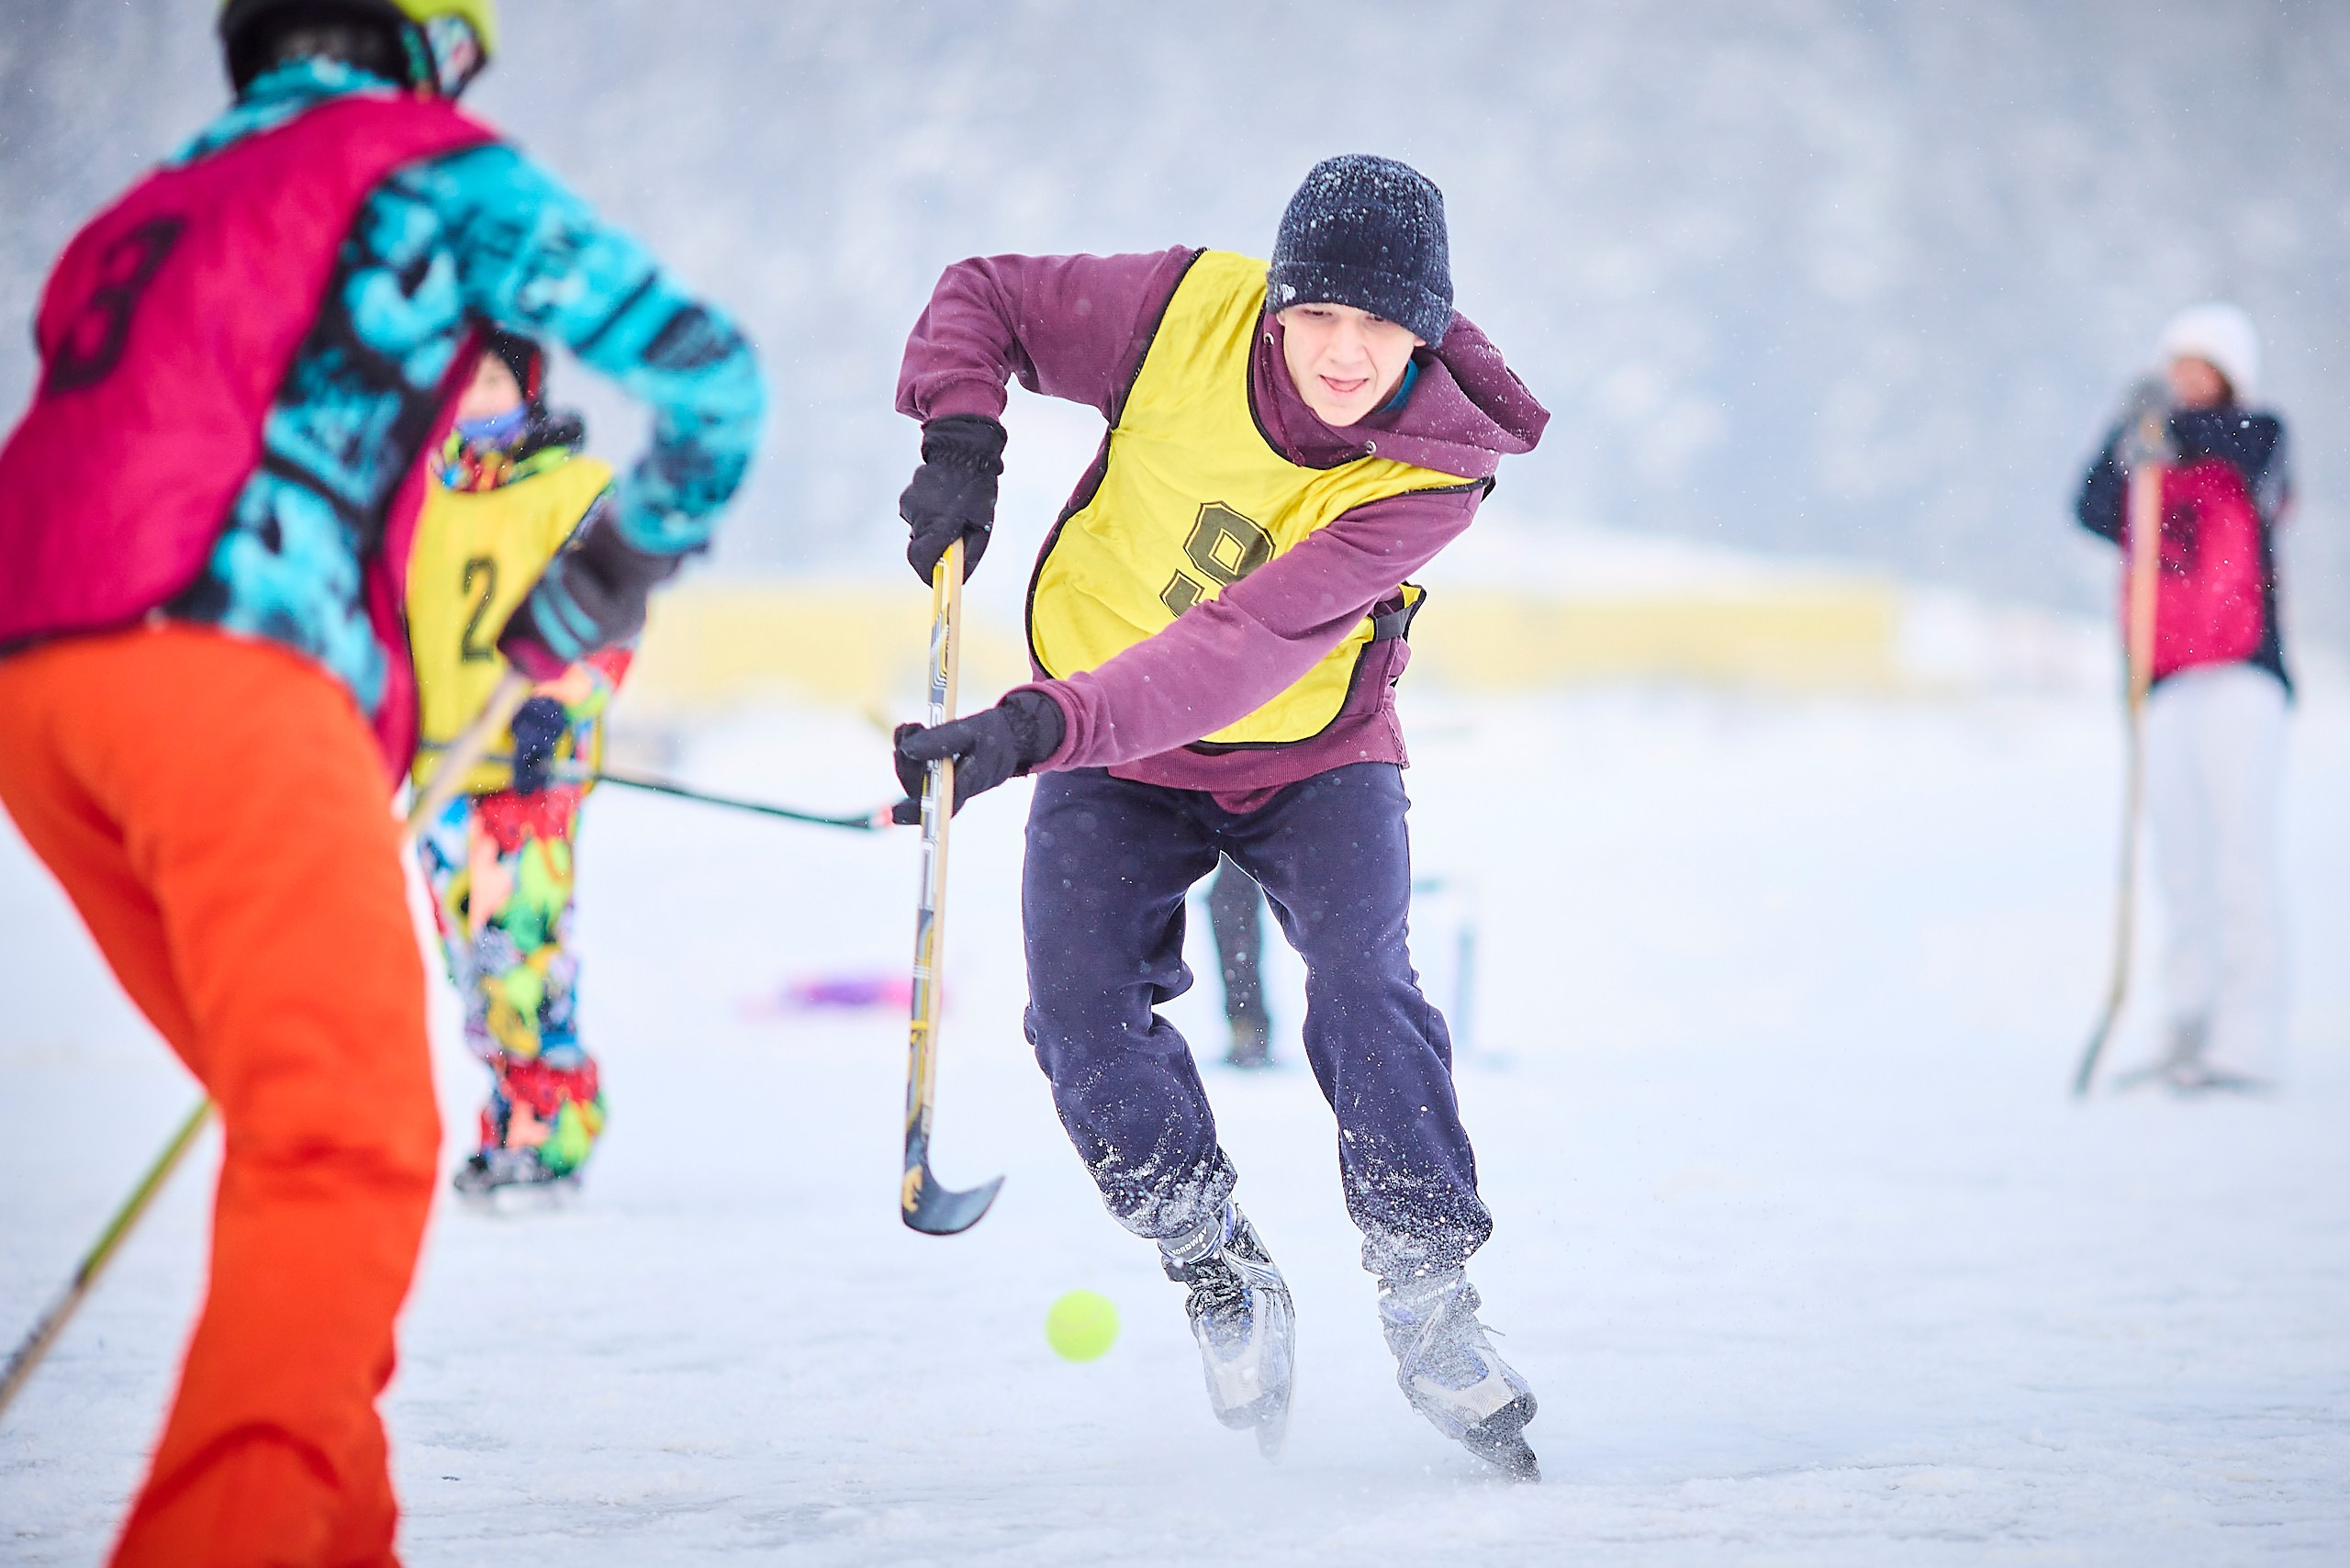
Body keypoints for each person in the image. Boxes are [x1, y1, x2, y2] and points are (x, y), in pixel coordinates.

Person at [0, 1, 763, 1561]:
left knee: (300, 1133)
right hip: (221, 676)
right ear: (432, 51)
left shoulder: (145, 204)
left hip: (36, 686)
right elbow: (713, 381)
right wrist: (610, 570)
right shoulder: (426, 170)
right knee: (343, 1141)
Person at [890, 155, 1549, 1477]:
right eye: (1317, 317)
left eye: (1380, 326)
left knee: (1363, 979)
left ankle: (1430, 1291)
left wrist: (1031, 728)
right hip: (1115, 754)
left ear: (1425, 329)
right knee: (1076, 1013)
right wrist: (962, 432)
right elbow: (982, 297)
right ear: (1276, 306)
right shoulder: (1183, 312)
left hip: (1311, 750)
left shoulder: (1430, 472)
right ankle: (1215, 1264)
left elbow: (1239, 646)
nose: (1344, 353)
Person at [410, 330, 630, 1198]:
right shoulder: (415, 496)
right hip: (439, 773)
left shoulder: (574, 491)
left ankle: (556, 1130)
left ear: (528, 389)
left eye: (493, 380)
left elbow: (616, 614)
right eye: (461, 380)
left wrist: (559, 702)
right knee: (468, 959)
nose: (474, 398)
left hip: (531, 770)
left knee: (519, 952)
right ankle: (508, 1118)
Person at [2075, 302, 2293, 1092]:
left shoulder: (2256, 439)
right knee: (2180, 862)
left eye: (2202, 366)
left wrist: (2167, 428)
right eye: (2178, 365)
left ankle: (2248, 1035)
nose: (2185, 380)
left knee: (2240, 856)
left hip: (2241, 678)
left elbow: (2249, 451)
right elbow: (2091, 506)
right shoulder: (2145, 462)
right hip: (2164, 680)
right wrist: (2121, 434)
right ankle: (2187, 1020)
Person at [1207, 853, 1275, 1069]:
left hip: (1236, 896)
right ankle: (1247, 1031)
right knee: (1241, 966)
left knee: (1241, 966)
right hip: (1235, 895)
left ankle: (1249, 1032)